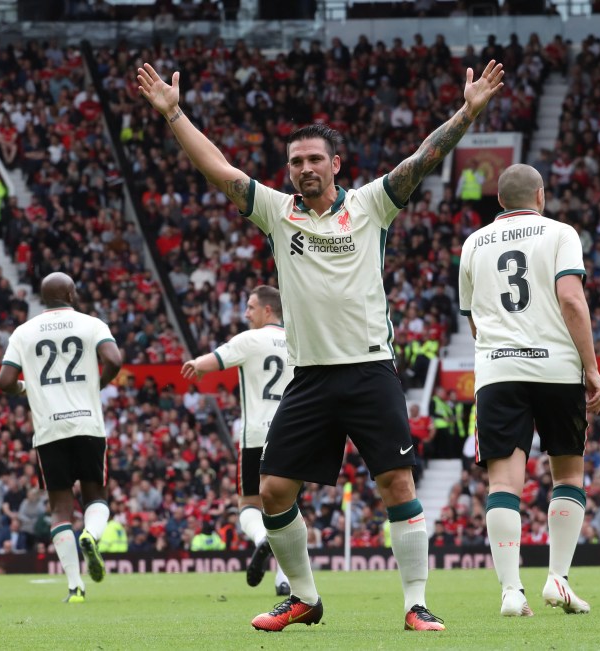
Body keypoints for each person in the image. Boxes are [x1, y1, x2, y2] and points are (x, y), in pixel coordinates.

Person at [138, 57, 505, 632]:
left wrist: (468, 111)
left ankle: (415, 604)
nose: (305, 168)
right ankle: (304, 597)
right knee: (274, 489)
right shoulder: (276, 213)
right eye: (296, 162)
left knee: (397, 484)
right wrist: (173, 113)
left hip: (369, 371)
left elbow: (423, 158)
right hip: (308, 376)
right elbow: (218, 168)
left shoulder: (371, 205)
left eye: (314, 159)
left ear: (335, 164)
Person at [458, 163, 600, 617]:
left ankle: (510, 591)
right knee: (567, 474)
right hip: (556, 367)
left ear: (500, 200)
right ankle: (557, 579)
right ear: (539, 195)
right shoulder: (560, 233)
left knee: (504, 483)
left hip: (498, 370)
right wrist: (592, 368)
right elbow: (571, 300)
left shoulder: (472, 243)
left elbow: (473, 319)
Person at [0, 272, 122, 603]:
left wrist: (26, 388)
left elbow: (4, 380)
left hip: (49, 429)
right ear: (69, 294)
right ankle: (91, 535)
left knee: (59, 509)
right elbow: (114, 360)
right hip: (87, 424)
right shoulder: (91, 324)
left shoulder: (23, 332)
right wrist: (97, 385)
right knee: (96, 495)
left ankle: (74, 586)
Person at [181, 285, 292, 596]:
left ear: (267, 310)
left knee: (248, 504)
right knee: (287, 508)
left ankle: (261, 540)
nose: (245, 313)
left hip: (256, 434)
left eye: (251, 307)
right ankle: (284, 580)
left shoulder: (248, 340)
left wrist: (195, 366)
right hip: (289, 434)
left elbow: (211, 360)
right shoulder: (297, 340)